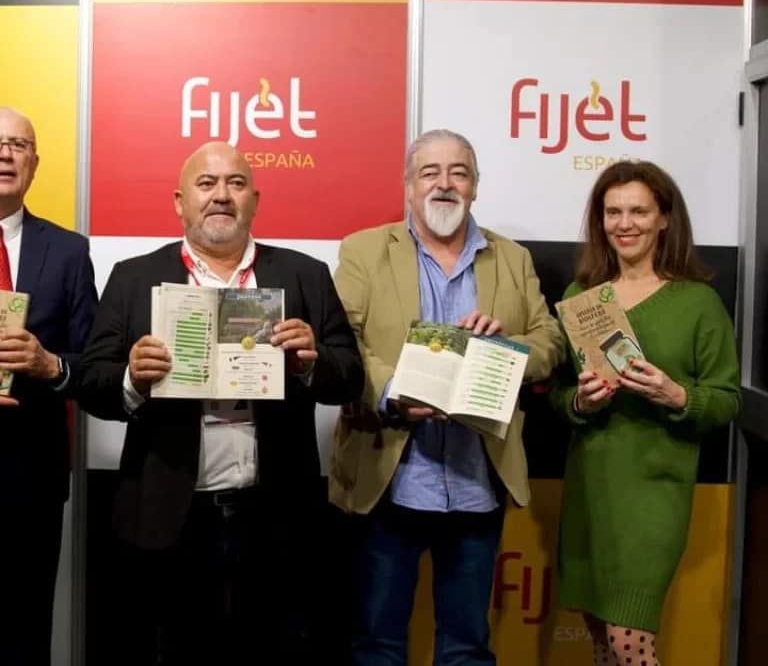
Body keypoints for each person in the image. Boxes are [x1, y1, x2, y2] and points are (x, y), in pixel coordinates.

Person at [77, 142, 364, 665]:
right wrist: (132, 379)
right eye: (206, 184)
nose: (222, 196)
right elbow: (93, 383)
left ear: (255, 200)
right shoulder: (133, 276)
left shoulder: (304, 275)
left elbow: (350, 378)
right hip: (168, 515)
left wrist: (310, 362)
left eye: (235, 183)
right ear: (179, 202)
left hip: (276, 514)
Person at [329, 129, 564, 665]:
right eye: (429, 172)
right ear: (409, 185)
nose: (444, 184)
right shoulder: (364, 250)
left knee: (467, 647)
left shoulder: (512, 258)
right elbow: (343, 341)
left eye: (459, 172)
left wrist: (506, 350)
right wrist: (393, 391)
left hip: (477, 481)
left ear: (475, 186)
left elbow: (549, 340)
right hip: (389, 478)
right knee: (377, 644)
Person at [549, 161, 741, 665]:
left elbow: (726, 398)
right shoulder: (580, 298)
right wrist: (580, 402)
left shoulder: (698, 303)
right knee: (601, 639)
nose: (625, 223)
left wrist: (676, 396)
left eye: (638, 211)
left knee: (627, 641)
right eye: (613, 212)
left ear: (664, 219)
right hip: (590, 488)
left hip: (654, 496)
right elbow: (560, 393)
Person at [0, 107, 97, 666]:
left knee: (26, 632)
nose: (5, 154)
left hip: (31, 476)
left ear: (35, 163)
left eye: (19, 144)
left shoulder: (68, 251)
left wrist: (50, 364)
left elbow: (95, 365)